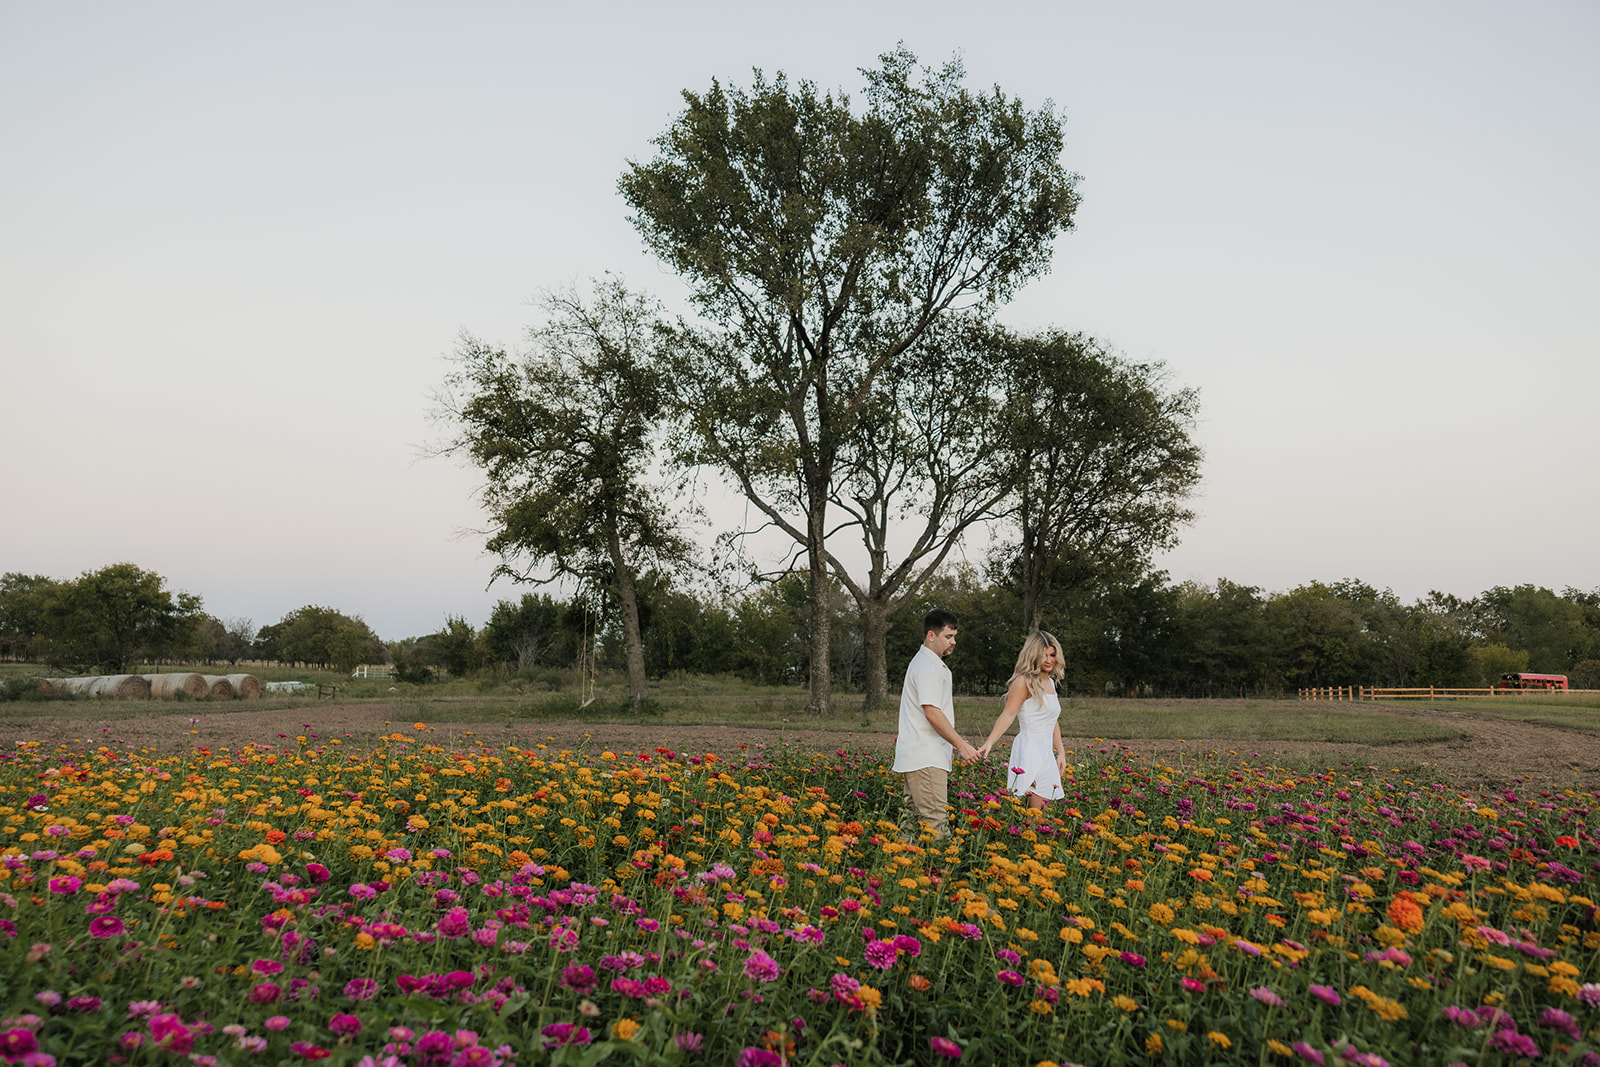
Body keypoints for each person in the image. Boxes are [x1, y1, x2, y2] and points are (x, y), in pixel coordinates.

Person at [893, 608, 978, 840]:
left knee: (912, 822)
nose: (954, 642)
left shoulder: (929, 663)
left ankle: (902, 869)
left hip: (921, 756)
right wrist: (961, 745)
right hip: (926, 757)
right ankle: (938, 871)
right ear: (931, 635)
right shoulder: (928, 667)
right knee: (935, 823)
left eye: (954, 636)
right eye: (948, 637)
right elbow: (931, 712)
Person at [977, 631, 1067, 811]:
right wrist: (989, 742)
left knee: (1042, 815)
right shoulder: (1023, 682)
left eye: (1052, 655)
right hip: (1029, 751)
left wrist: (1061, 752)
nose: (1049, 660)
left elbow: (1052, 720)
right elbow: (1008, 714)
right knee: (1032, 814)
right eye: (1044, 656)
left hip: (1045, 753)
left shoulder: (1050, 682)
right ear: (1033, 655)